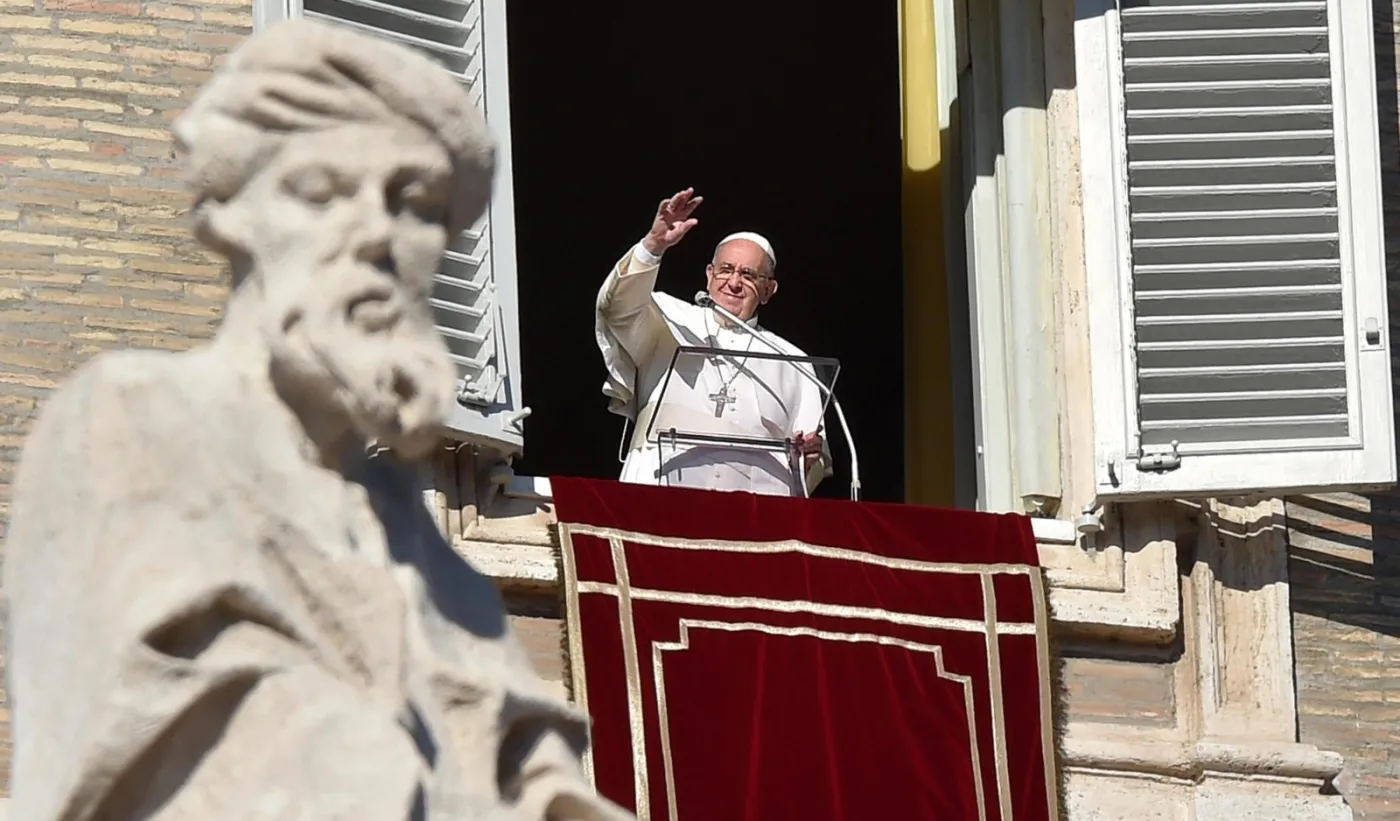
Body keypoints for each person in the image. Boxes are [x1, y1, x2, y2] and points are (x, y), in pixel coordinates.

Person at [4, 20, 627, 821]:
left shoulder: (427, 552)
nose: (373, 234)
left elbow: (532, 769)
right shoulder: (130, 422)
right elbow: (113, 727)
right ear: (233, 215)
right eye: (323, 191)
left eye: (411, 203)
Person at [596, 188, 833, 496]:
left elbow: (810, 458)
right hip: (664, 498)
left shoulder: (791, 360)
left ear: (768, 290)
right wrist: (653, 246)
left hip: (758, 515)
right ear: (709, 275)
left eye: (749, 275)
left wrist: (809, 456)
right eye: (726, 270)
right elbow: (615, 307)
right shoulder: (665, 318)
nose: (734, 283)